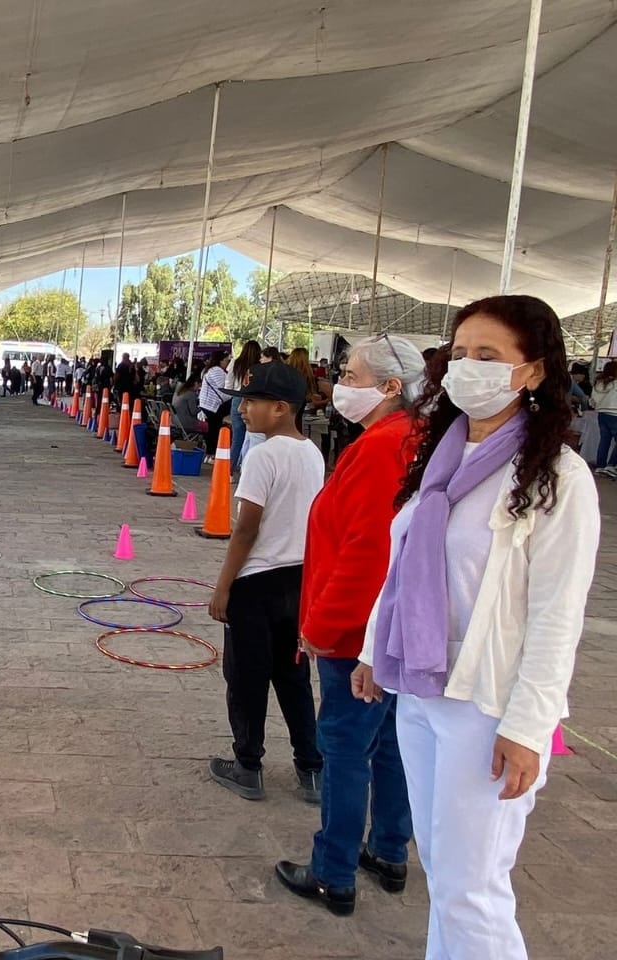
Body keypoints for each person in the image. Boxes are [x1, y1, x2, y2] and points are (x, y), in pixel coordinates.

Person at [354, 295, 599, 958]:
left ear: (533, 372)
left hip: (486, 704)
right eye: (460, 354)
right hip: (423, 690)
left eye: (489, 356)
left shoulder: (557, 478)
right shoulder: (441, 459)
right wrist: (377, 648)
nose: (468, 367)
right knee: (445, 874)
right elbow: (403, 564)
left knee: (473, 888)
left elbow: (557, 612)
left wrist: (526, 727)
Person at [273, 333, 427, 916]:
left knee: (343, 744)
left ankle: (332, 869)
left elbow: (367, 552)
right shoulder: (405, 439)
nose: (341, 384)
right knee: (386, 741)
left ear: (391, 388)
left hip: (358, 629)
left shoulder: (382, 447)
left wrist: (322, 624)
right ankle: (388, 848)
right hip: (384, 623)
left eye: (354, 376)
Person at [206, 361, 325, 804]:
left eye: (252, 403)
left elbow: (246, 528)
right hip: (298, 580)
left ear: (281, 408)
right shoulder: (311, 453)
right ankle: (310, 767)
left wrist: (223, 586)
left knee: (246, 678)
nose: (243, 411)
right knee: (293, 677)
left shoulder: (263, 455)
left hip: (257, 582)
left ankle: (248, 765)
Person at [227, 341, 262, 473]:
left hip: (237, 398)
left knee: (237, 438)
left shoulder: (235, 363)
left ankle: (228, 470)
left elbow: (228, 386)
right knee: (253, 438)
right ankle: (247, 470)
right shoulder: (260, 366)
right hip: (254, 400)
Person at [197, 350, 232, 455]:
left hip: (208, 404)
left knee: (213, 429)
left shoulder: (210, 370)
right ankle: (212, 452)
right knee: (214, 429)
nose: (228, 363)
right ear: (220, 360)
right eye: (227, 360)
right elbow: (224, 388)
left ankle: (211, 452)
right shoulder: (216, 370)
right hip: (212, 405)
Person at [593, 360, 617, 476]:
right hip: (615, 413)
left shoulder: (599, 382)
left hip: (602, 414)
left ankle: (600, 466)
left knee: (604, 441)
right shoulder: (616, 383)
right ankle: (611, 465)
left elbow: (593, 400)